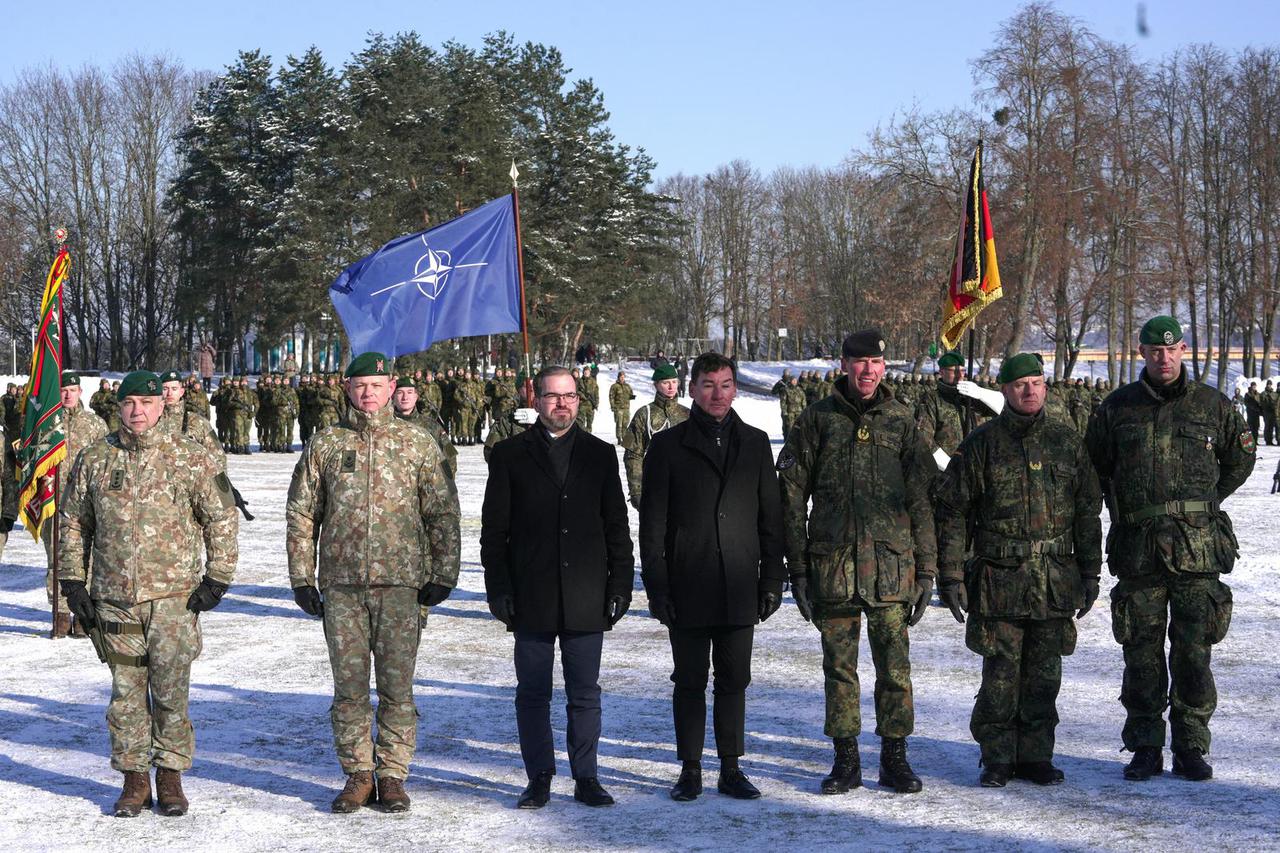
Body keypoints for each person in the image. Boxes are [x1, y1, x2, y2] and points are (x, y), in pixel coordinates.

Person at [57, 370, 239, 817]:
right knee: (125, 693)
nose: (138, 411)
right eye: (129, 403)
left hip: (175, 598)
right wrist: (73, 581)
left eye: (147, 403)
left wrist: (217, 577)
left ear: (162, 407)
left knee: (172, 691)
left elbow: (221, 517)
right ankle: (134, 777)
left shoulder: (191, 457)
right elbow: (74, 522)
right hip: (114, 597)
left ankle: (171, 775)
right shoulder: (96, 458)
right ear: (118, 407)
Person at [286, 352, 460, 814]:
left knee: (398, 688)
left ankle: (393, 774)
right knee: (349, 689)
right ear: (347, 389)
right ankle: (359, 774)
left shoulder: (418, 443)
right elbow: (303, 513)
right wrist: (302, 577)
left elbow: (442, 511)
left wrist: (444, 572)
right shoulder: (325, 444)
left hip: (402, 585)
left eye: (376, 385)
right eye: (359, 385)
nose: (368, 393)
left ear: (391, 388)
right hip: (342, 586)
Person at [1086, 316, 1254, 782]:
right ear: (1142, 353)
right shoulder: (1117, 408)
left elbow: (1240, 458)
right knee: (1140, 654)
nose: (1164, 358)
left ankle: (1191, 746)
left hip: (1198, 551)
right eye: (1154, 351)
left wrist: (1208, 501)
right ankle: (1144, 746)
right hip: (1139, 551)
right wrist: (1123, 505)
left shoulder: (1212, 405)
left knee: (1194, 653)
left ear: (1182, 349)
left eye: (1172, 349)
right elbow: (1096, 466)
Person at [777, 329, 936, 795]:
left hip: (891, 570)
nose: (867, 370)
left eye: (875, 362)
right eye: (858, 362)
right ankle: (845, 760)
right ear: (843, 365)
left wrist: (926, 569)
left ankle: (894, 758)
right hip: (834, 570)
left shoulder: (902, 423)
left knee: (895, 670)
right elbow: (790, 498)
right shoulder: (817, 420)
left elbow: (923, 501)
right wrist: (799, 570)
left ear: (885, 367)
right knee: (839, 670)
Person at [934, 353, 1102, 787]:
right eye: (1020, 384)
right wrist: (951, 574)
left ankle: (1036, 755)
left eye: (1037, 382)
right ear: (1004, 390)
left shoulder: (1067, 442)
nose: (1030, 390)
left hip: (1055, 581)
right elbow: (952, 511)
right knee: (1001, 675)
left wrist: (1090, 573)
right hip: (998, 580)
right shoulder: (982, 444)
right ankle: (997, 756)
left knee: (1045, 675)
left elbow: (1087, 511)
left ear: (1046, 387)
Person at [480, 365, 634, 810]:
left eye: (568, 396)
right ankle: (540, 776)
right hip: (531, 593)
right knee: (532, 693)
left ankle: (586, 776)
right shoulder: (510, 455)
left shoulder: (601, 454)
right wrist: (499, 588)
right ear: (536, 399)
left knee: (585, 693)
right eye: (552, 396)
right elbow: (495, 532)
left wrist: (620, 585)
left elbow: (616, 529)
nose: (561, 403)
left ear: (579, 401)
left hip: (587, 593)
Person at [639, 352, 785, 802]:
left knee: (734, 679)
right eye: (707, 385)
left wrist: (771, 580)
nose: (717, 394)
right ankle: (690, 768)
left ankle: (731, 766)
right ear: (692, 388)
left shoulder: (757, 443)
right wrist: (658, 588)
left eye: (725, 385)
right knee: (689, 680)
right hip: (688, 581)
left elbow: (771, 519)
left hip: (740, 581)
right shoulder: (667, 446)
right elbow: (653, 527)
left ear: (735, 388)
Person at [45, 371, 108, 636]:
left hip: (85, 503)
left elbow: (106, 460)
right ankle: (60, 612)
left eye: (72, 390)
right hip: (54, 502)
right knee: (57, 558)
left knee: (88, 559)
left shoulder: (95, 424)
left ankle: (83, 613)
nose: (68, 395)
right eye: (63, 390)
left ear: (80, 392)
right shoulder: (47, 424)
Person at [621, 365, 689, 509]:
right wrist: (636, 491)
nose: (671, 386)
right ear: (656, 385)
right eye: (665, 382)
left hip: (685, 490)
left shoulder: (688, 415)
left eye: (674, 382)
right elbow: (632, 454)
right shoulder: (643, 414)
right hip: (654, 488)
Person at [608, 370, 635, 444]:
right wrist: (613, 406)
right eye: (621, 377)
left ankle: (624, 437)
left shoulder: (627, 386)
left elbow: (631, 395)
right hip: (618, 408)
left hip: (626, 408)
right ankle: (619, 438)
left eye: (623, 377)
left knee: (625, 424)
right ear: (618, 377)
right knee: (619, 424)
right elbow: (611, 397)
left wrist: (632, 397)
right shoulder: (614, 386)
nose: (622, 378)